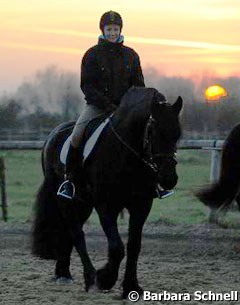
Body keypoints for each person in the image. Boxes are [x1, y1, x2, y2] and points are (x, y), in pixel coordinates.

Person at [57, 10, 145, 199]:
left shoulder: (131, 56)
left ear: (120, 30)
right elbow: (87, 85)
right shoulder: (92, 55)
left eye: (115, 29)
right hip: (97, 108)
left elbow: (138, 85)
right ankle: (69, 180)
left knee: (147, 134)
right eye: (109, 29)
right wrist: (106, 105)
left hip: (125, 110)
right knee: (77, 134)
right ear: (102, 30)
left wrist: (129, 105)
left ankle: (153, 183)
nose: (112, 33)